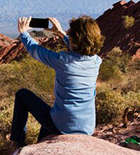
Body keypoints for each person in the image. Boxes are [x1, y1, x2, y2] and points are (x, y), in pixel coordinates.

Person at [10, 16, 104, 147]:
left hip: (62, 125)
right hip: (87, 127)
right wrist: (61, 33)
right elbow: (80, 49)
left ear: (74, 39)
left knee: (22, 95)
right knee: (49, 118)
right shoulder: (96, 61)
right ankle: (41, 145)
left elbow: (35, 50)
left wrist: (23, 33)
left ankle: (18, 142)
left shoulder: (62, 60)